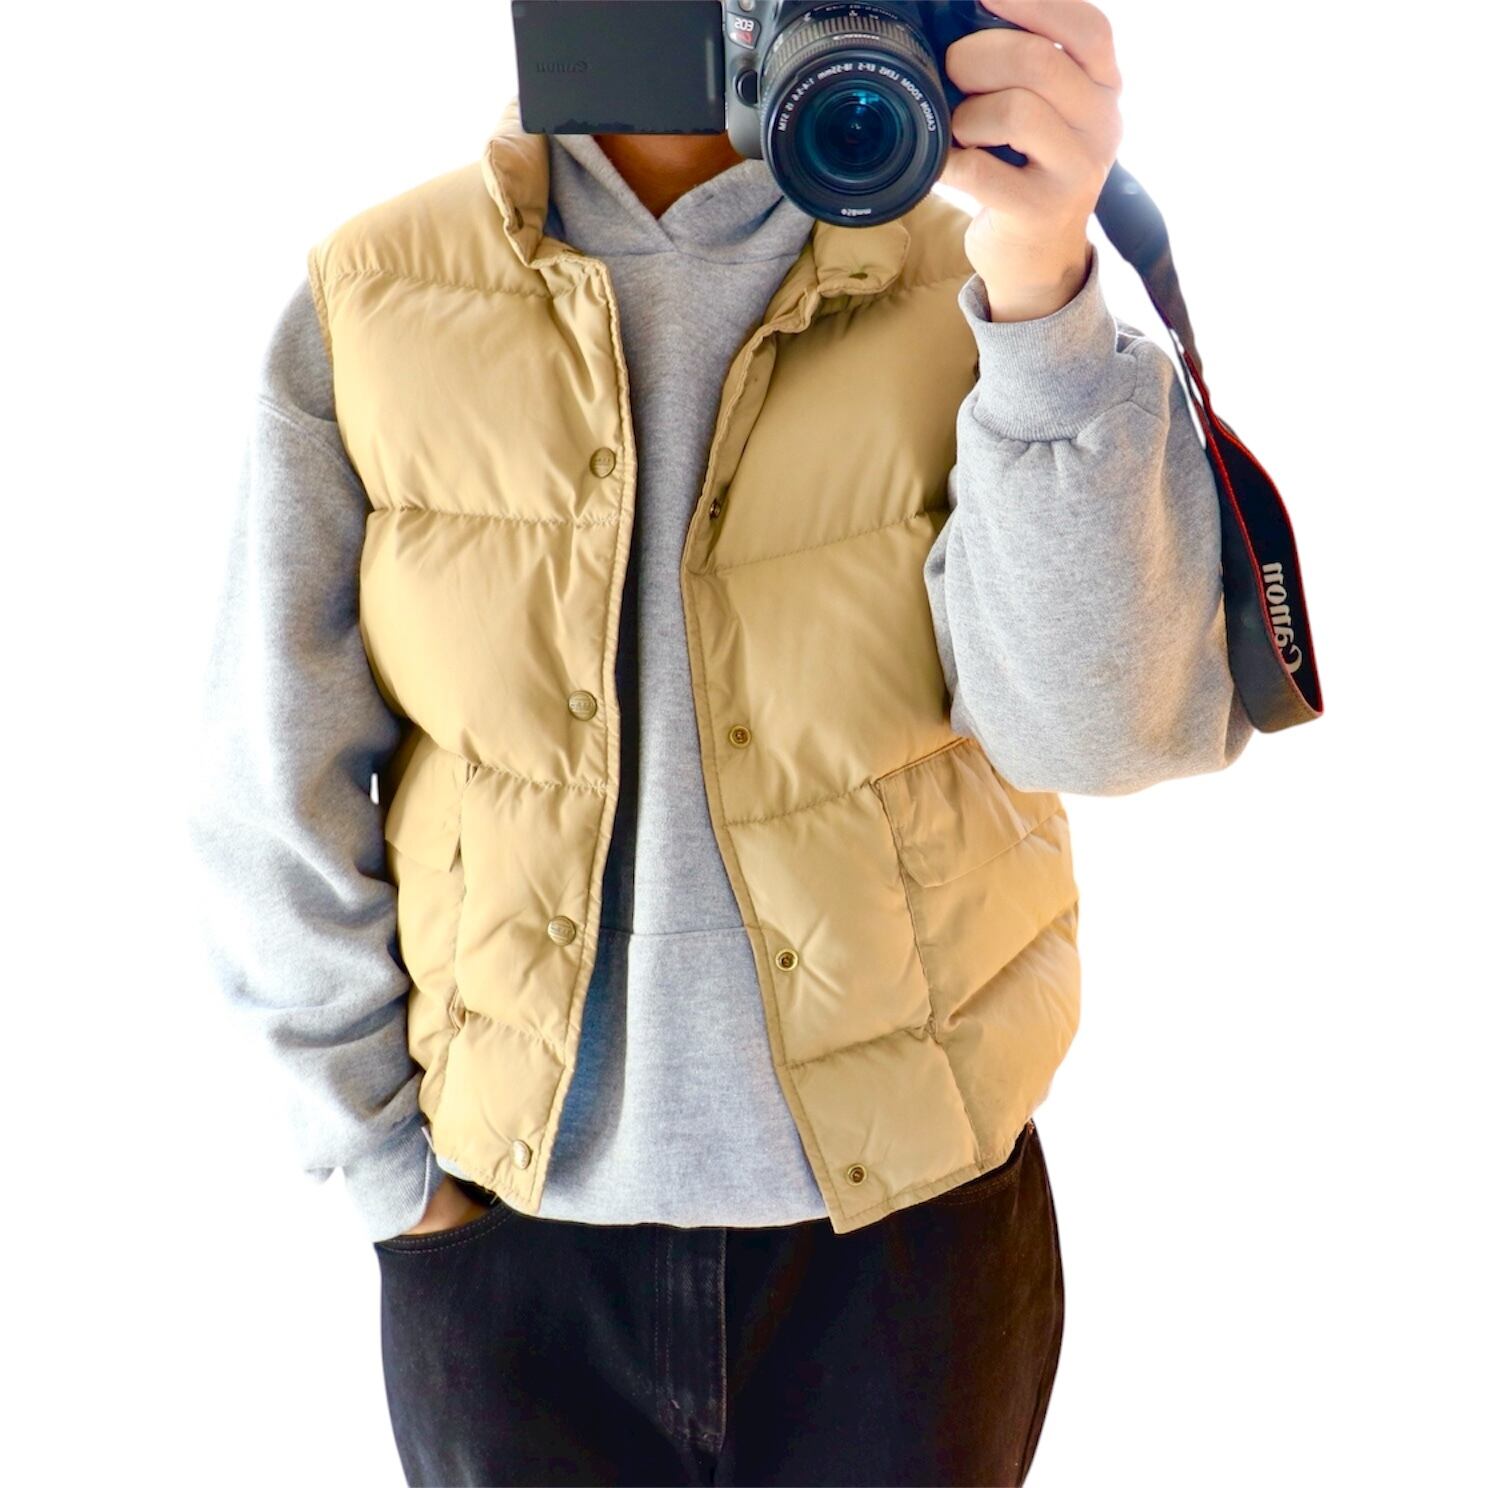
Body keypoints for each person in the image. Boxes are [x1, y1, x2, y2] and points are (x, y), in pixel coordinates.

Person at [187, 3, 1249, 1483]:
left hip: (919, 1248)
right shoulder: (373, 300)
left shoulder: (980, 277)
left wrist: (1043, 283)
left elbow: (1100, 728)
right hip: (505, 1254)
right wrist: (390, 1180)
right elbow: (272, 788)